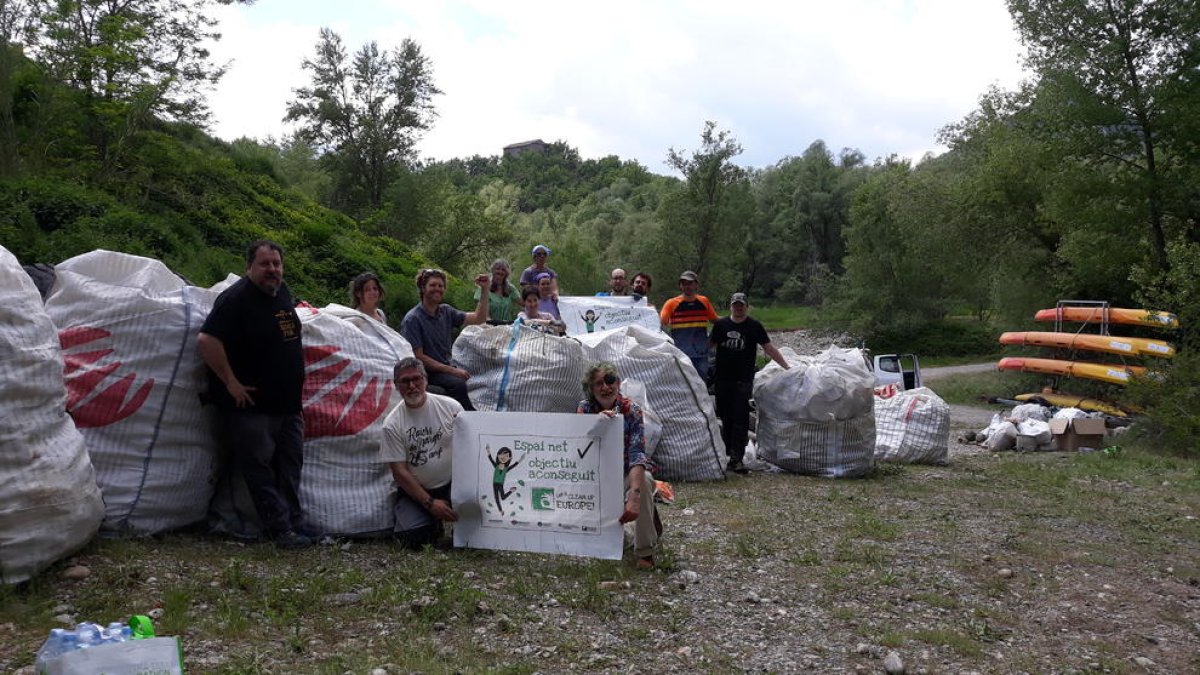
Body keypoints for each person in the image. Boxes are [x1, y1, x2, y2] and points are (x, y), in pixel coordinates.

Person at [198, 240, 310, 549]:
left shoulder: (281, 292)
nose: (272, 269)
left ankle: (295, 523)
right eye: (265, 264)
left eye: (276, 263)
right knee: (258, 468)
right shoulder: (236, 299)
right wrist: (231, 382)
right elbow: (207, 340)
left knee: (290, 465)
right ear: (250, 267)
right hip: (251, 406)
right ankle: (279, 530)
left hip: (287, 404)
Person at [577, 362, 662, 570]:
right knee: (618, 538)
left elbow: (637, 453)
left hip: (624, 472)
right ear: (590, 388)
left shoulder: (631, 410)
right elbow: (580, 444)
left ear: (617, 383)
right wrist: (597, 424)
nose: (605, 388)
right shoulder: (585, 408)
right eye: (598, 383)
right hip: (597, 475)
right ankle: (648, 521)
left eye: (609, 381)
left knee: (645, 482)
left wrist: (634, 493)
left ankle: (645, 552)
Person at [379, 357, 462, 549]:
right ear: (396, 385)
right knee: (411, 537)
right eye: (405, 381)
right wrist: (430, 503)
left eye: (416, 379)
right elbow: (400, 472)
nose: (412, 385)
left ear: (425, 379)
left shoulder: (451, 407)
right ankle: (431, 522)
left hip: (453, 484)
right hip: (418, 490)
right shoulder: (391, 425)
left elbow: (470, 447)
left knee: (477, 521)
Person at [710, 293, 790, 474]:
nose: (738, 308)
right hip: (722, 379)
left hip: (743, 380)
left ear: (747, 307)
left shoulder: (754, 326)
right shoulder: (721, 325)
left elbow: (768, 348)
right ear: (730, 306)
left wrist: (786, 367)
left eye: (741, 305)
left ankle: (737, 458)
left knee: (740, 418)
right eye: (735, 305)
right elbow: (708, 346)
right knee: (725, 417)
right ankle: (727, 455)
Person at [401, 268, 490, 410]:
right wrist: (452, 371)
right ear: (423, 288)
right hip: (425, 372)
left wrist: (485, 290)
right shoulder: (413, 319)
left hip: (446, 367)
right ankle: (471, 420)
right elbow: (418, 357)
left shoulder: (446, 311)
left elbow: (479, 318)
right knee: (459, 384)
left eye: (440, 286)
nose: (437, 289)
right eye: (433, 285)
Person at [659, 270, 718, 380]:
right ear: (680, 286)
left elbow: (716, 321)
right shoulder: (671, 303)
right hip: (680, 354)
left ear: (696, 285)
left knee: (701, 385)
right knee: (681, 386)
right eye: (684, 283)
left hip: (701, 354)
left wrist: (711, 340)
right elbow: (660, 324)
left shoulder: (704, 301)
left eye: (690, 283)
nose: (687, 286)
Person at [475, 259, 520, 324]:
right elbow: (484, 314)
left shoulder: (511, 288)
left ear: (506, 273)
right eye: (498, 269)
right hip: (488, 325)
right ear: (493, 270)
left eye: (503, 270)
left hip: (507, 326)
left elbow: (524, 303)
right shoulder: (484, 287)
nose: (500, 271)